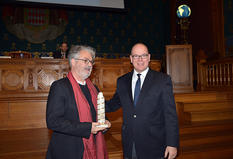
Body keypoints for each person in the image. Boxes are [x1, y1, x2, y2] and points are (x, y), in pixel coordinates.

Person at [106, 43, 179, 159]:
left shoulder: (162, 80)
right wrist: (94, 103)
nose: (140, 59)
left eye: (143, 55)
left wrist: (172, 143)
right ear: (131, 59)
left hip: (154, 143)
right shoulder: (122, 81)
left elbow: (170, 115)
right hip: (130, 142)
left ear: (149, 57)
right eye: (136, 56)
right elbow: (113, 104)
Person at [46, 45, 111, 159]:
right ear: (73, 61)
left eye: (91, 61)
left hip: (94, 147)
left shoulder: (94, 88)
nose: (90, 64)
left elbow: (97, 114)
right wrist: (88, 128)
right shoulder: (60, 87)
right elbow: (53, 121)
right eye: (86, 61)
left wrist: (104, 124)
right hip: (68, 150)